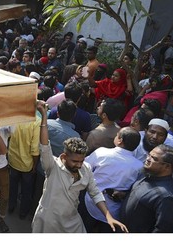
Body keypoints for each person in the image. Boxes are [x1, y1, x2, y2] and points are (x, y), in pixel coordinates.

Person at [31, 100, 128, 233]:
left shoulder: (86, 168)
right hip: (48, 220)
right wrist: (44, 116)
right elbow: (45, 146)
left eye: (81, 161)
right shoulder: (52, 166)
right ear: (64, 157)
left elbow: (95, 192)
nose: (79, 165)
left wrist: (108, 215)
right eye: (75, 161)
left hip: (71, 221)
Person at [80, 127, 143, 233]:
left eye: (117, 135)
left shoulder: (102, 153)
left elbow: (84, 168)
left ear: (120, 140)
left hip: (90, 204)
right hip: (114, 211)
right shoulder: (139, 166)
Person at [120, 144, 173, 233]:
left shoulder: (167, 197)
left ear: (167, 166)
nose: (148, 159)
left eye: (154, 158)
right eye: (149, 155)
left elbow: (162, 230)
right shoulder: (147, 174)